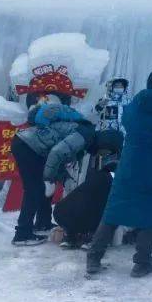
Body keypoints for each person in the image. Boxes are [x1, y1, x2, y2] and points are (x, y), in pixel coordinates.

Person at [86, 69, 152, 278]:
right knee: (151, 212)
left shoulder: (135, 103)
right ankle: (142, 261)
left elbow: (126, 120)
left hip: (131, 163)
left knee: (114, 210)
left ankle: (94, 257)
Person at [11, 96, 94, 246]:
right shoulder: (85, 134)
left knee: (44, 187)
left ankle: (43, 222)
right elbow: (57, 152)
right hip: (28, 146)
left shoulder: (77, 127)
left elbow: (60, 156)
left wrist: (58, 176)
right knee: (34, 189)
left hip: (29, 144)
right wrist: (49, 177)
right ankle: (22, 234)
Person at [53, 129, 124, 249]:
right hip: (90, 217)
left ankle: (70, 236)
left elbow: (70, 189)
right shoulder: (108, 174)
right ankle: (90, 236)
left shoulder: (83, 158)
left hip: (61, 213)